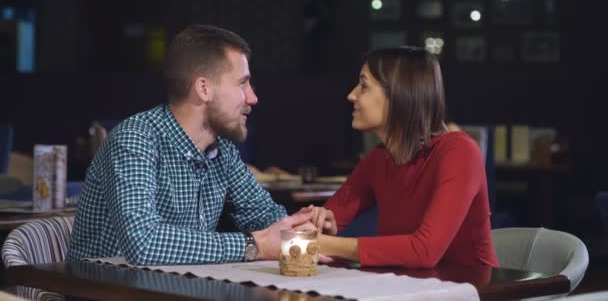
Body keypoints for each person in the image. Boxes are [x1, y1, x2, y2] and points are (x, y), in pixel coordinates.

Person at [67, 24, 313, 265]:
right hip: (105, 290)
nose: (253, 97)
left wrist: (303, 225)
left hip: (173, 288)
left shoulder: (223, 150)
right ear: (204, 89)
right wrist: (253, 246)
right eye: (242, 83)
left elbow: (265, 217)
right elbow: (143, 243)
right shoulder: (136, 140)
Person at [309, 46, 499, 268]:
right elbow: (327, 222)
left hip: (475, 292)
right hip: (408, 289)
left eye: (364, 86)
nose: (351, 95)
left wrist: (324, 244)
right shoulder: (379, 159)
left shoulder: (459, 151)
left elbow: (424, 251)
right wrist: (319, 221)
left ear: (400, 94)